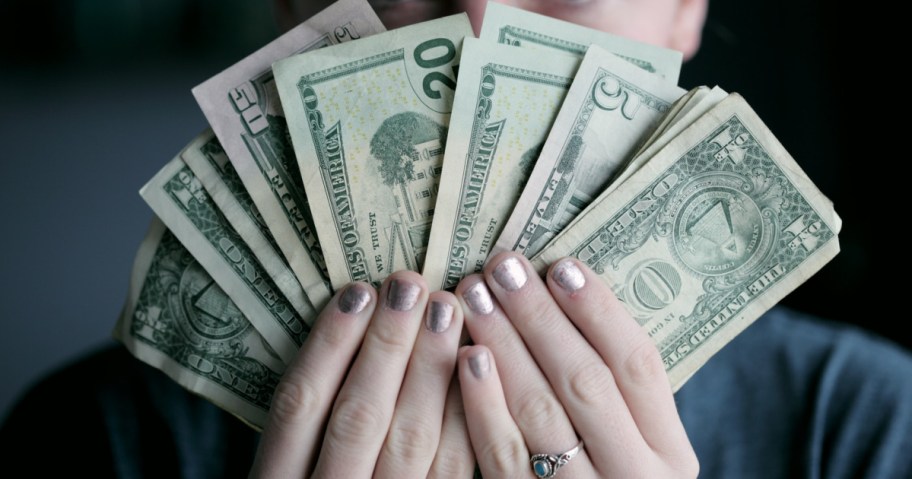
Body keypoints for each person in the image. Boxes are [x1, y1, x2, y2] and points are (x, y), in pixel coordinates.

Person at [2, 1, 911, 477]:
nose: (479, 40)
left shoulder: (871, 429)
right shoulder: (92, 443)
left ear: (685, 8)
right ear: (292, 17)